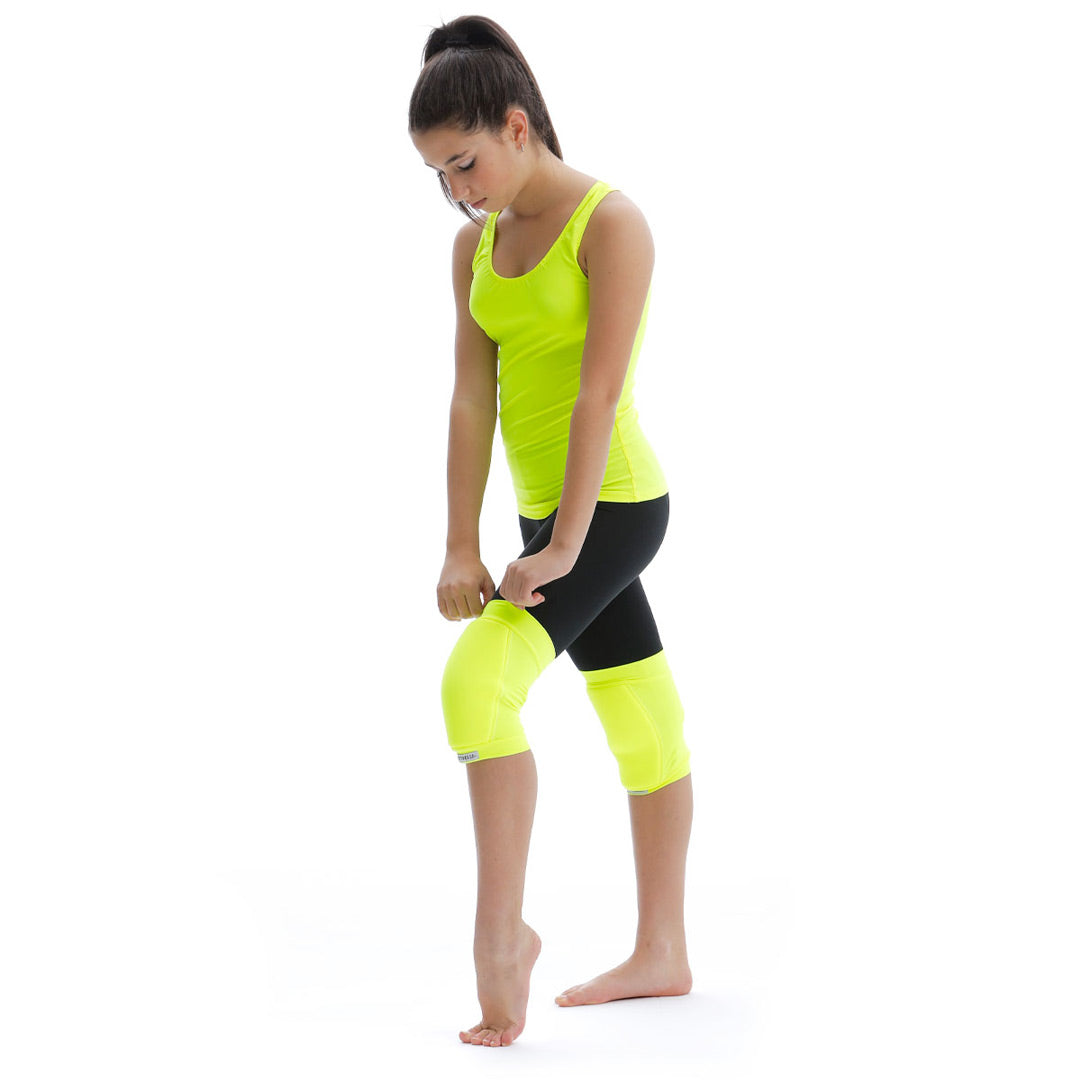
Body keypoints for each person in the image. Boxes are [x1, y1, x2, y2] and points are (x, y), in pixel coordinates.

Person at [408, 15, 694, 1048]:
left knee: (476, 684)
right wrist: (460, 542)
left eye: (466, 163)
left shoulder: (611, 225)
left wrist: (567, 546)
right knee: (637, 706)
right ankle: (663, 949)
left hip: (614, 507)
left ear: (517, 126)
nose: (459, 190)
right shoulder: (473, 248)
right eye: (439, 174)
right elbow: (470, 401)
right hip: (549, 518)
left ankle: (502, 941)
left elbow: (596, 395)